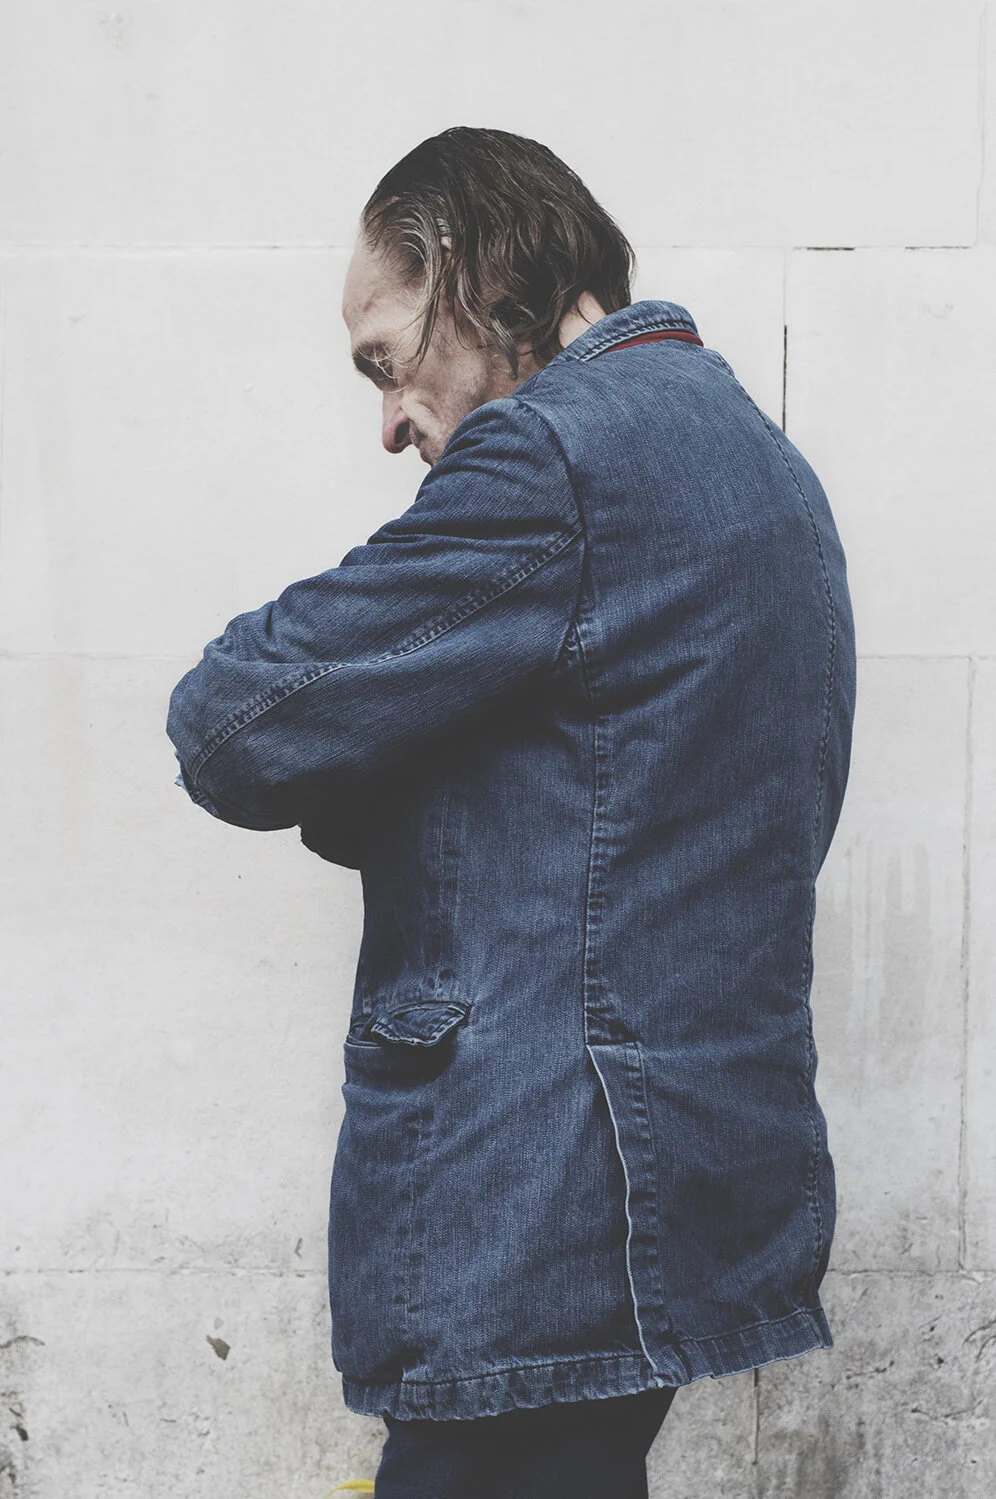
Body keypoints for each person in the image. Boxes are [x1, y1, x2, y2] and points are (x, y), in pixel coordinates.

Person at [166, 126, 856, 1498]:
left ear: (472, 277)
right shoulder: (759, 463)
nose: (390, 421)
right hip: (670, 1187)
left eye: (385, 356)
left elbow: (234, 721)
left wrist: (378, 755)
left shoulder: (551, 464)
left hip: (536, 1194)